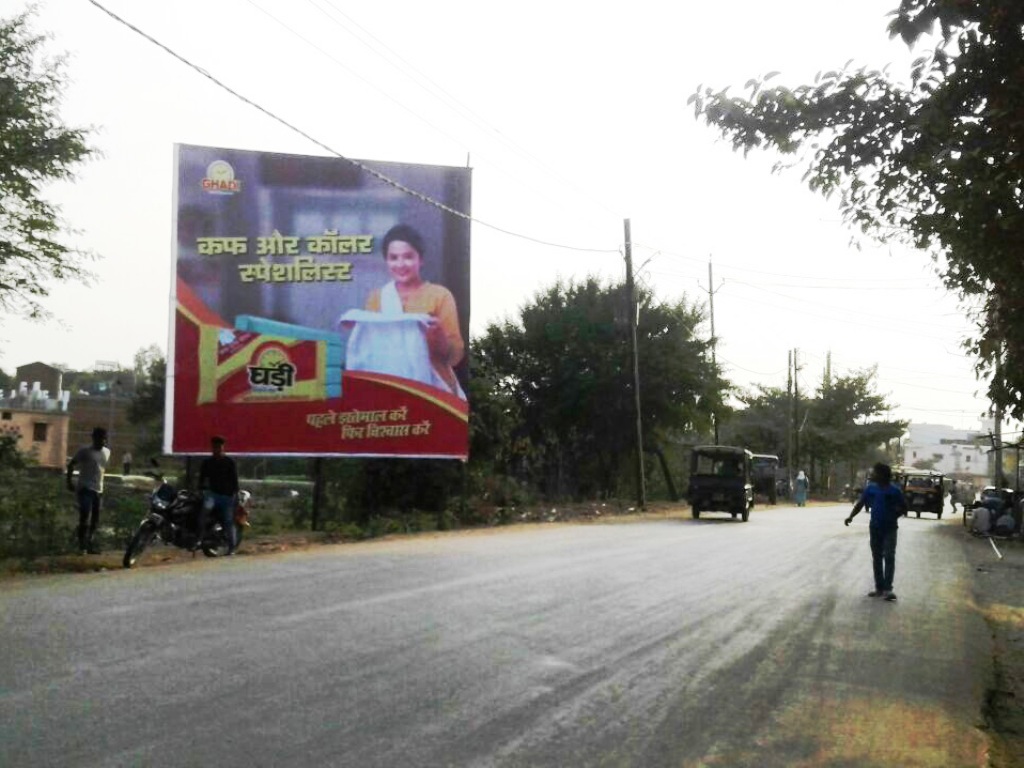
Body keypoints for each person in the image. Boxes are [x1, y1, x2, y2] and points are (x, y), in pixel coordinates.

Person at [344, 224, 465, 398]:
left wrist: (439, 340)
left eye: (408, 257)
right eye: (393, 258)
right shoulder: (376, 298)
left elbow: (456, 355)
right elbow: (372, 349)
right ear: (386, 261)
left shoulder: (440, 296)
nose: (400, 264)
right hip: (390, 388)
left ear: (420, 259)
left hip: (436, 392)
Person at [845, 462, 908, 602]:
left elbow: (904, 508)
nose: (872, 475)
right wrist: (851, 516)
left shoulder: (895, 491)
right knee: (877, 557)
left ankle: (888, 589)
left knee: (889, 556)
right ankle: (879, 588)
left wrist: (894, 515)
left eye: (875, 473)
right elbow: (860, 504)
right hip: (875, 527)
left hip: (890, 528)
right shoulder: (870, 489)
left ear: (882, 475)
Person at [66, 427, 111, 555]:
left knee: (95, 520)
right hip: (85, 488)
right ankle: (81, 546)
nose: (102, 441)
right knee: (84, 516)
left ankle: (90, 543)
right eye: (99, 438)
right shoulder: (85, 451)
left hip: (98, 490)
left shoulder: (107, 452)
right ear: (93, 438)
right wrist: (69, 482)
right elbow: (71, 465)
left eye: (104, 439)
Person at [197, 435, 240, 555]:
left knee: (228, 521)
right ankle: (199, 539)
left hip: (227, 497)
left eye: (219, 447)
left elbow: (234, 480)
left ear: (222, 447)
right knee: (203, 514)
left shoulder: (229, 462)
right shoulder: (207, 462)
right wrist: (200, 489)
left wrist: (235, 495)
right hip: (213, 495)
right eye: (215, 447)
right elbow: (201, 479)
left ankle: (232, 547)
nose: (217, 449)